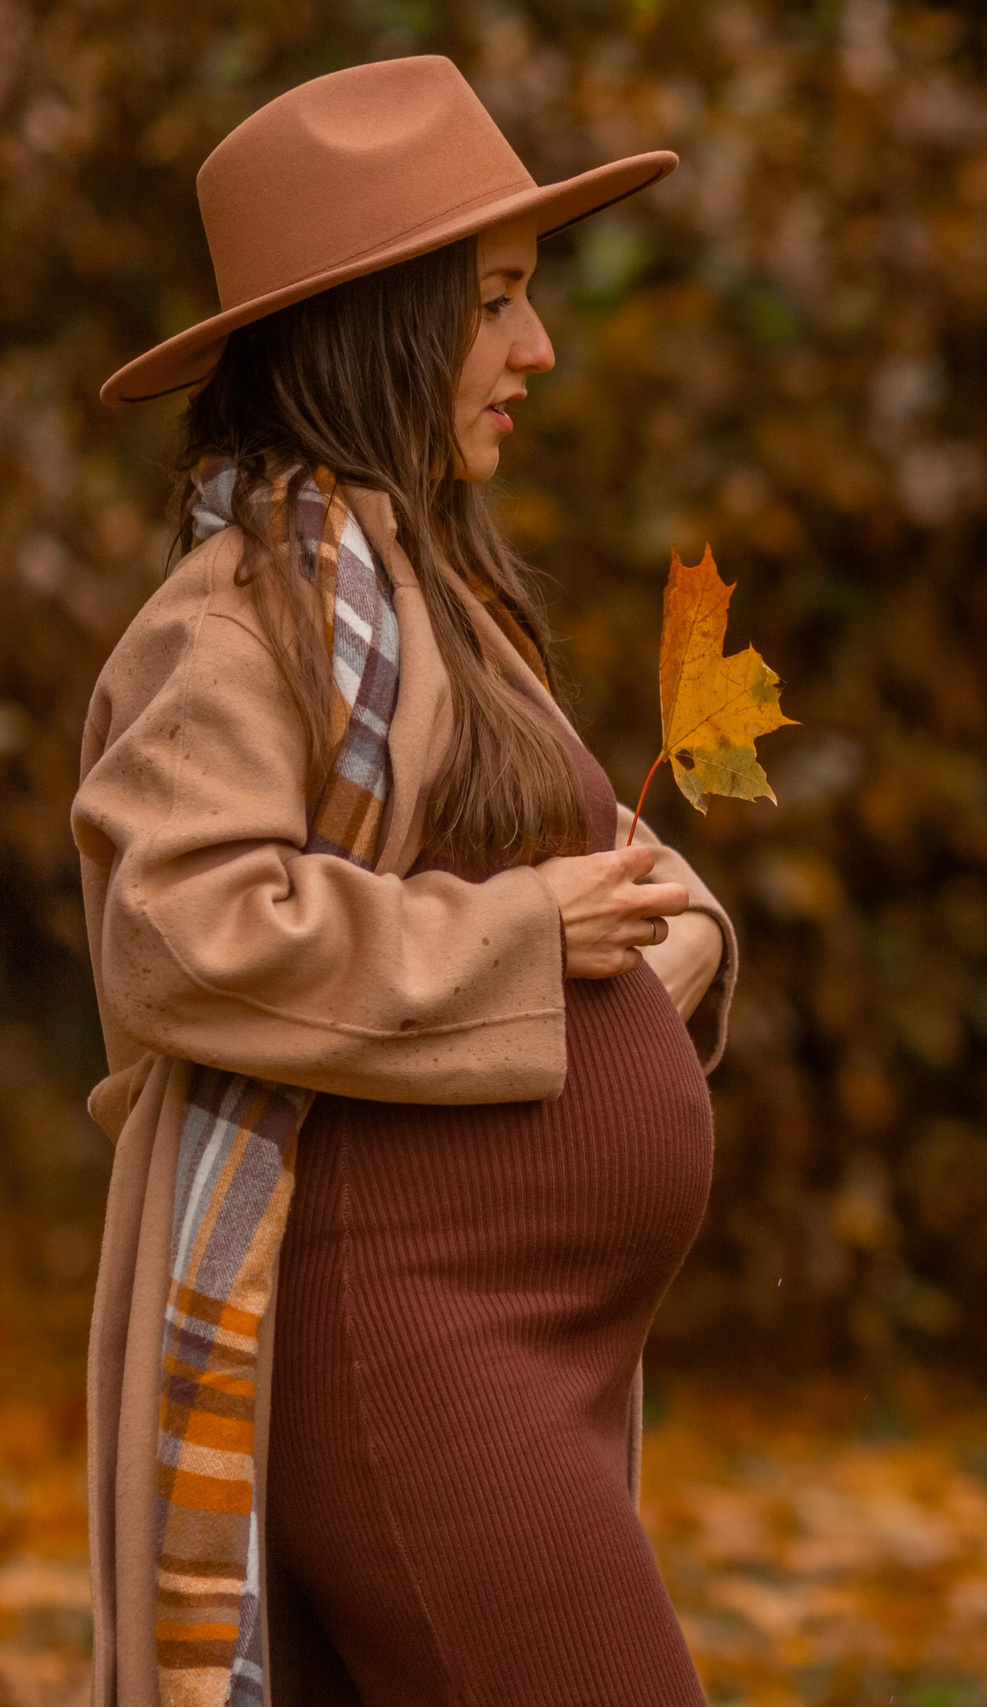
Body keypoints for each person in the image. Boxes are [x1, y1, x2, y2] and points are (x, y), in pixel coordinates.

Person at [75, 57, 730, 1706]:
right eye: (495, 303)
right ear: (377, 327)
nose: (538, 348)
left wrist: (678, 943)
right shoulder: (237, 623)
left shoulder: (424, 600)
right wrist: (527, 937)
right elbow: (182, 928)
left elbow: (582, 862)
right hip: (407, 1349)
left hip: (512, 1343)